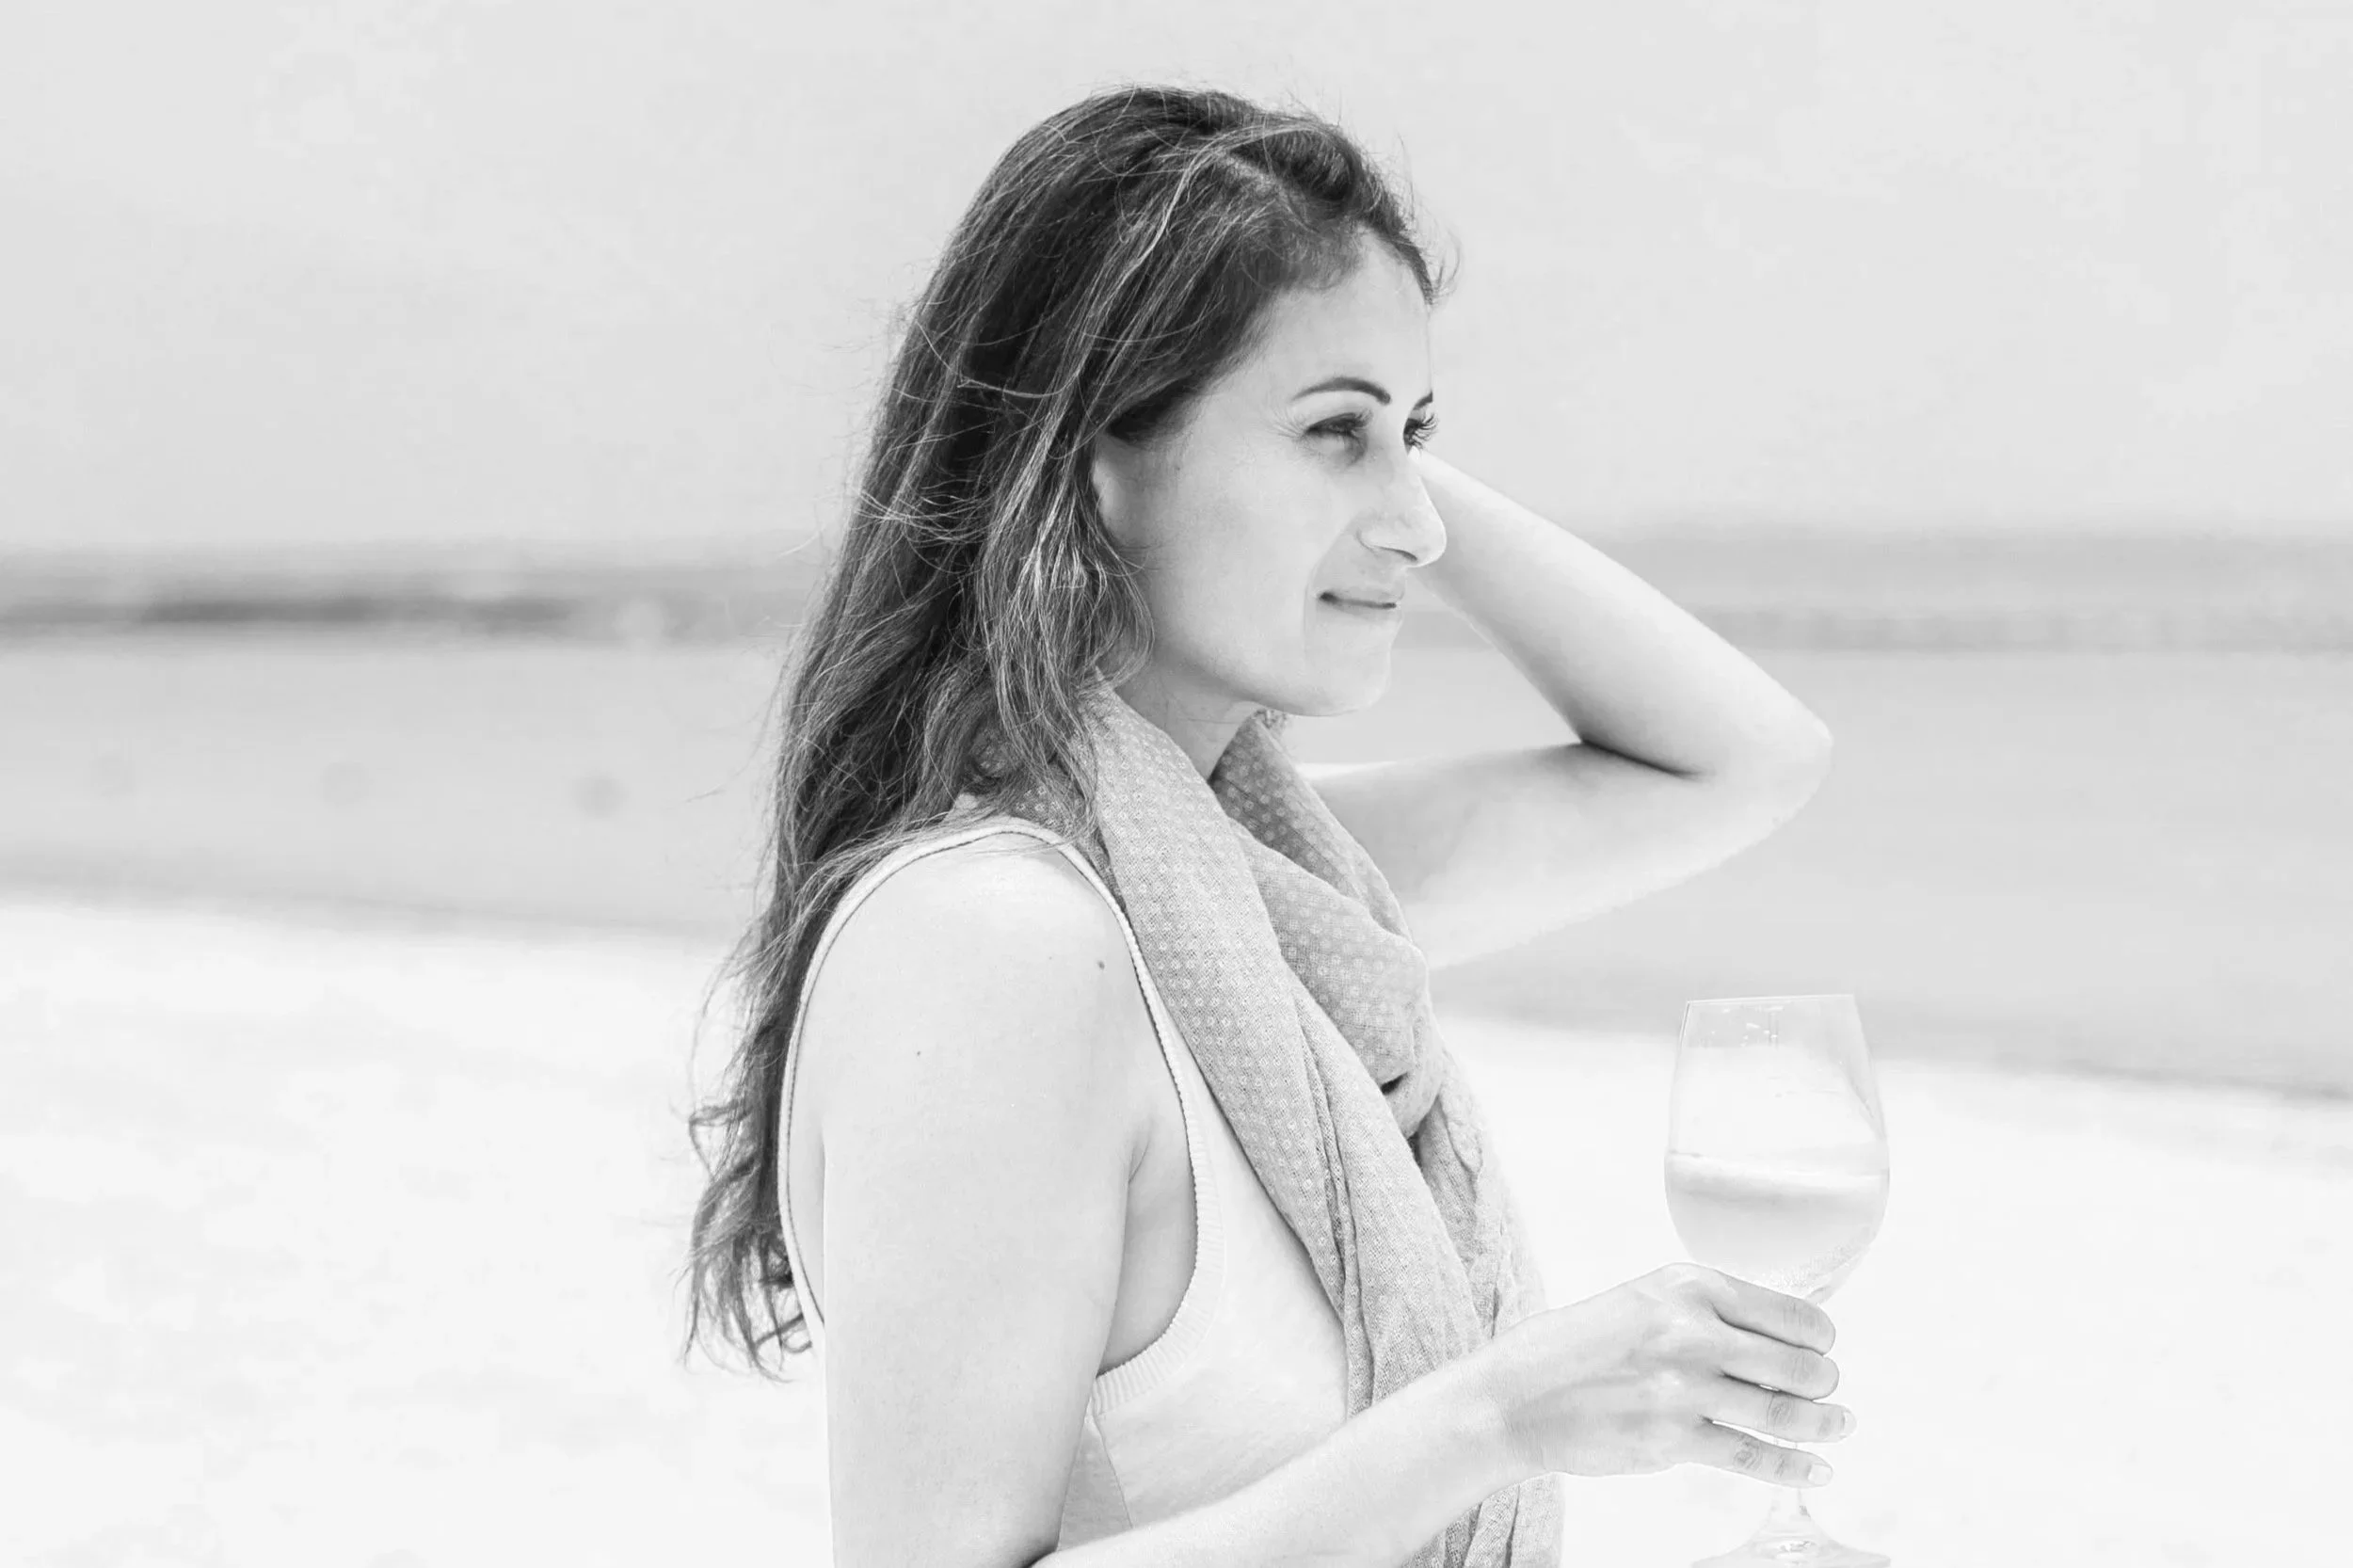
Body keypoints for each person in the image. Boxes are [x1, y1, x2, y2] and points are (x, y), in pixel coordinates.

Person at [683, 84, 1850, 1567]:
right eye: (1332, 434)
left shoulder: (1266, 899)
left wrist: (1353, 425)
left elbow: (1742, 760)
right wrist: (1491, 1420)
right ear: (1096, 460)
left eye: (1415, 434)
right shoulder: (996, 940)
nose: (1417, 521)